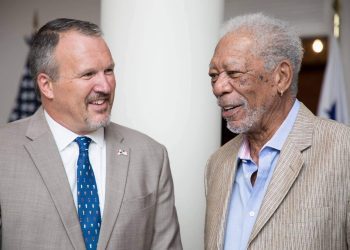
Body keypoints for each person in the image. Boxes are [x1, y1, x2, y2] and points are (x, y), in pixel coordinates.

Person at [0, 18, 182, 250]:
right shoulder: (3, 153)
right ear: (46, 85)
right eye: (88, 74)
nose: (105, 86)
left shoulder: (151, 156)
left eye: (109, 71)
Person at [205, 13, 350, 250]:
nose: (219, 88)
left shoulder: (343, 150)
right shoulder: (216, 165)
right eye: (213, 76)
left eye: (233, 73)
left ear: (281, 77)